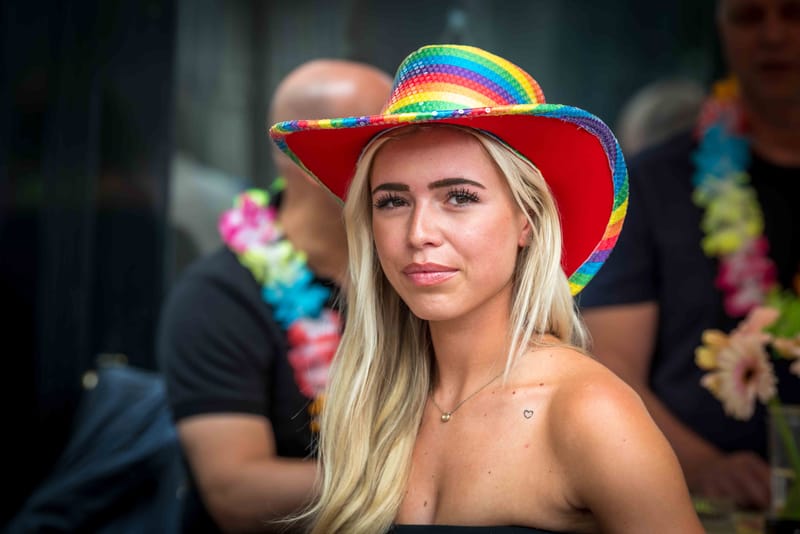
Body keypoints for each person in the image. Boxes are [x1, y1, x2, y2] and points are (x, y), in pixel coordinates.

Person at [270, 44, 703, 533]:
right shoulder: (373, 398)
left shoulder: (588, 412)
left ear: (528, 221)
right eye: (392, 201)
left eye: (458, 197)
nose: (418, 233)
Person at [578, 0, 800, 512]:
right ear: (721, 30)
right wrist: (703, 467)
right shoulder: (650, 184)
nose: (772, 35)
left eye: (792, 12)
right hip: (703, 506)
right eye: (748, 16)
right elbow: (610, 362)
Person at [157, 59, 392, 532]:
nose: (403, 154)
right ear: (302, 155)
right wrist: (426, 479)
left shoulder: (413, 271)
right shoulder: (216, 297)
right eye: (377, 139)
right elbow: (236, 493)